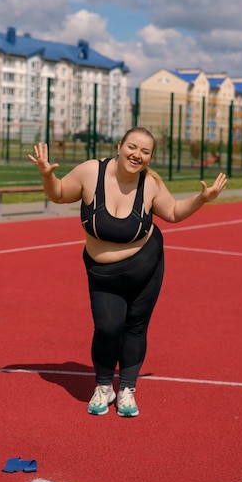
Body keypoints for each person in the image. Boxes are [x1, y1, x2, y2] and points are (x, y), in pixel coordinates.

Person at [28, 127, 226, 417]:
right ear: (120, 145)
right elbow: (58, 194)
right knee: (107, 327)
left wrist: (201, 199)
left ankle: (127, 389)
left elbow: (171, 212)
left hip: (145, 266)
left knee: (135, 327)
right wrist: (47, 175)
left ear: (150, 158)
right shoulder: (90, 172)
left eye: (145, 151)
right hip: (102, 273)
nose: (137, 155)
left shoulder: (150, 185)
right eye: (132, 147)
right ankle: (104, 386)